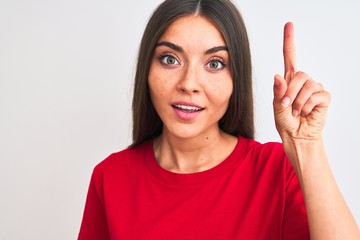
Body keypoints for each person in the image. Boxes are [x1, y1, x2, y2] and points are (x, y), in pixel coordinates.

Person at [78, 0, 360, 239]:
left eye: (214, 64)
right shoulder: (110, 177)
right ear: (146, 71)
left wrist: (306, 144)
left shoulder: (277, 171)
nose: (189, 83)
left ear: (236, 79)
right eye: (170, 59)